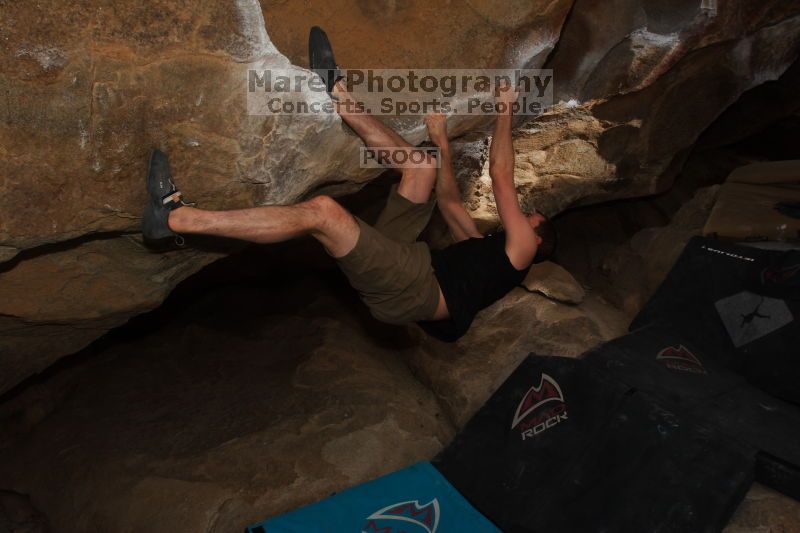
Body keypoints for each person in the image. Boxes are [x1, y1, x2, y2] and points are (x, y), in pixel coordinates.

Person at [141, 26, 556, 342]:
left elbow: (501, 177)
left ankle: (176, 218)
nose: (522, 217)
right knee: (421, 168)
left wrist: (506, 110)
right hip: (414, 261)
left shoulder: (518, 256)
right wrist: (441, 141)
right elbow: (449, 202)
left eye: (531, 219)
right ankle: (336, 88)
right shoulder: (489, 254)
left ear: (536, 240)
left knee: (324, 214)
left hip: (415, 288)